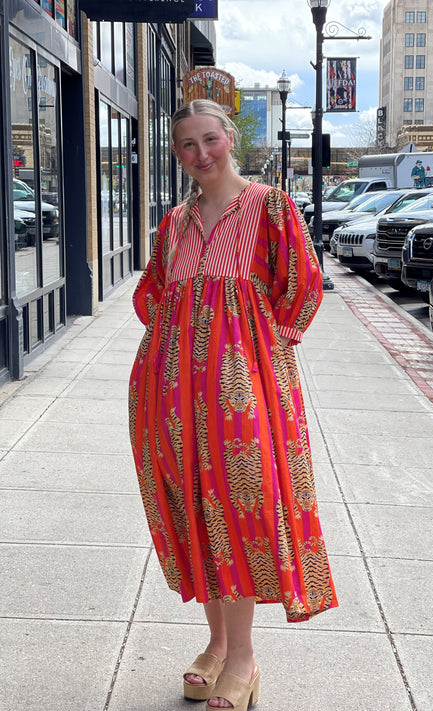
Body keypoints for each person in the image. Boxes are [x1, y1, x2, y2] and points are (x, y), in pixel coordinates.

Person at [128, 99, 338, 711]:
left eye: (209, 140)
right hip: (172, 395)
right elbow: (155, 294)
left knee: (239, 507)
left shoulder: (270, 207)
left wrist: (258, 355)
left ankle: (244, 657)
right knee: (194, 503)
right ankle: (217, 645)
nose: (201, 155)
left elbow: (302, 284)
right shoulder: (174, 223)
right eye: (186, 145)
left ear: (230, 140)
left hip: (242, 390)